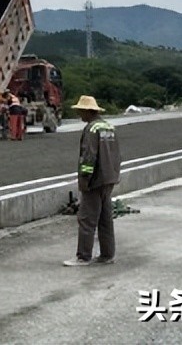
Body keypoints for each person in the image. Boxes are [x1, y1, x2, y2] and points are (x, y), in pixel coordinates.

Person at [64, 95, 121, 267]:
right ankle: (107, 254)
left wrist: (85, 178)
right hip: (109, 177)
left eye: (81, 111)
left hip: (95, 179)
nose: (79, 114)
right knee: (105, 219)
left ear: (88, 111)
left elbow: (89, 156)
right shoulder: (109, 127)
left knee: (87, 218)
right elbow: (116, 154)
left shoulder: (91, 129)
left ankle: (83, 256)